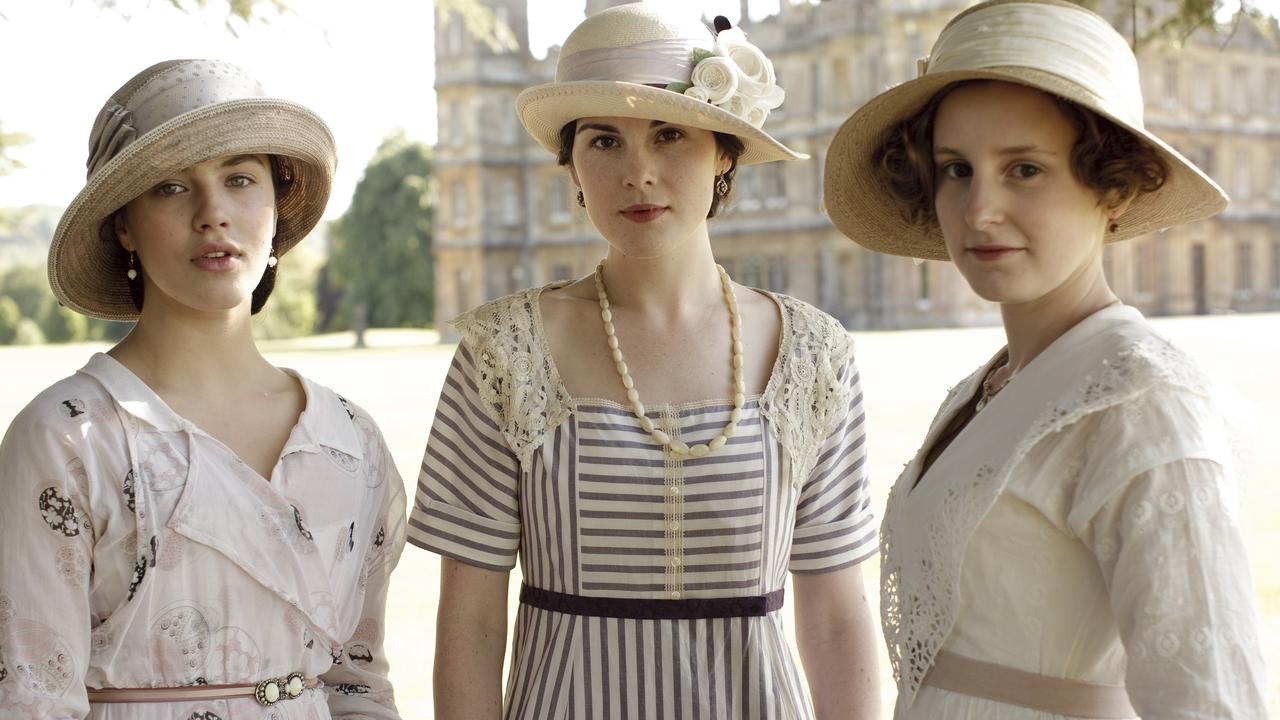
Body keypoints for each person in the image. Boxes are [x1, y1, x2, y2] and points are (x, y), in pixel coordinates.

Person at [409, 5, 881, 719]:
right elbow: (472, 623)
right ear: (571, 163)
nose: (639, 173)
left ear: (724, 151)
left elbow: (836, 617)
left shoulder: (812, 356)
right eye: (604, 141)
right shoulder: (503, 353)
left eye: (670, 135)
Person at [823, 0, 1268, 717]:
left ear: (1113, 187)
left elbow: (1212, 699)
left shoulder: (1139, 398)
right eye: (955, 169)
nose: (978, 210)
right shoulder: (990, 385)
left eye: (1024, 168)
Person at [0, 59, 406, 719]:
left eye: (240, 179)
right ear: (124, 226)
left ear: (278, 206)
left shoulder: (349, 439)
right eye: (169, 188)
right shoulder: (68, 437)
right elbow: (30, 701)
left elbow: (360, 688)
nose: (214, 214)